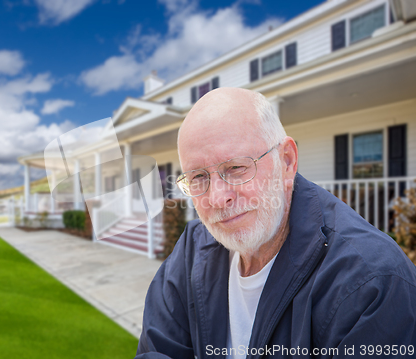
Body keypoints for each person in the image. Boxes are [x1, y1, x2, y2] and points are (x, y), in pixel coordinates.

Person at [135, 88, 416, 359]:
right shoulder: (191, 250)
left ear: (287, 161)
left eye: (236, 168)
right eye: (198, 177)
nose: (218, 198)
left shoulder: (372, 281)